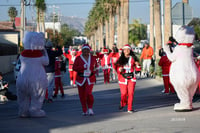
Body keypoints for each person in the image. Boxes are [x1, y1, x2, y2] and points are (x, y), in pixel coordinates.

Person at [164, 26, 200, 111]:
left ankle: (185, 104)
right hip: (193, 72)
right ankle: (189, 102)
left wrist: (167, 50)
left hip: (182, 74)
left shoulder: (179, 48)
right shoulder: (190, 48)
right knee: (190, 90)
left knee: (182, 88)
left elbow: (172, 58)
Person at [16, 31, 49, 117]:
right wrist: (44, 52)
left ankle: (23, 111)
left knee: (23, 96)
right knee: (37, 95)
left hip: (22, 77)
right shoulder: (39, 55)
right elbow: (46, 62)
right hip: (37, 79)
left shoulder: (22, 55)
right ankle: (35, 110)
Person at [73, 44, 98, 116]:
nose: (86, 52)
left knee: (88, 93)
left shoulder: (93, 58)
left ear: (89, 51)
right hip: (80, 78)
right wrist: (82, 68)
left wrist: (93, 71)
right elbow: (74, 67)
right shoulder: (78, 58)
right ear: (82, 51)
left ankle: (90, 108)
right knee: (82, 95)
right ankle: (84, 110)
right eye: (84, 50)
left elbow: (96, 66)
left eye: (87, 50)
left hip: (90, 78)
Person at [114, 44, 139, 113]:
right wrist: (119, 69)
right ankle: (123, 103)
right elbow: (116, 66)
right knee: (124, 93)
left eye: (128, 49)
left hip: (131, 78)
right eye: (125, 50)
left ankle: (129, 108)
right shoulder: (120, 59)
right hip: (123, 78)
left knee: (131, 93)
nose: (127, 51)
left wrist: (138, 66)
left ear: (130, 50)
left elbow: (138, 69)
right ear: (123, 51)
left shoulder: (133, 58)